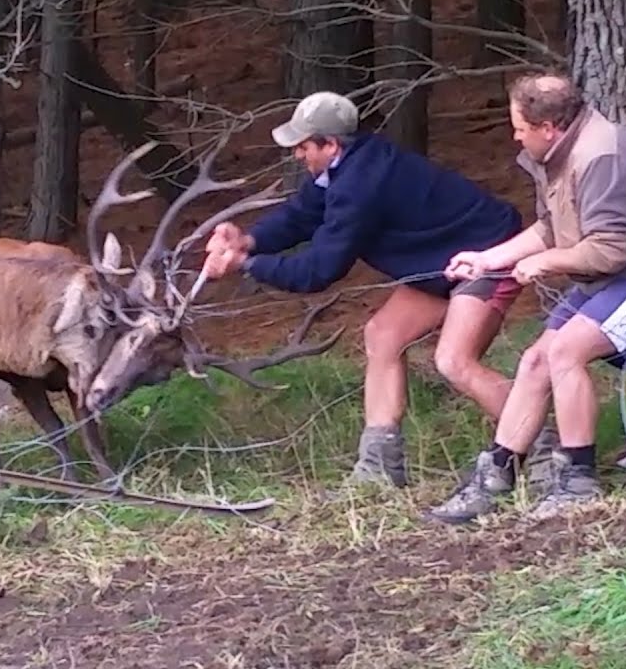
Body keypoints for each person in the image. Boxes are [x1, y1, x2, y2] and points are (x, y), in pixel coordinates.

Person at [202, 90, 545, 489]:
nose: (298, 155)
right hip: (441, 262)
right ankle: (380, 467)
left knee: (454, 361)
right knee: (383, 335)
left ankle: (546, 453)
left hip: (488, 253)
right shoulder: (345, 166)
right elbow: (301, 216)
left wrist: (246, 265)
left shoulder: (360, 186)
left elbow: (319, 270)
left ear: (330, 144)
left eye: (302, 147)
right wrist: (248, 241)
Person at [425, 71, 626, 524]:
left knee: (564, 352)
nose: (514, 136)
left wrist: (547, 264)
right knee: (535, 361)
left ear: (548, 128)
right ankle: (495, 476)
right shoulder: (561, 154)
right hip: (624, 272)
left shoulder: (601, 157)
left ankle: (578, 482)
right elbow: (550, 228)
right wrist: (489, 260)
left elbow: (608, 248)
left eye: (519, 128)